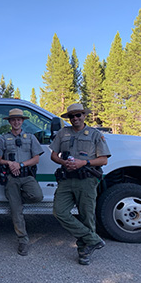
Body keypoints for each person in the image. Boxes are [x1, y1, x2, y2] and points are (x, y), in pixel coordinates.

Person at [50, 103, 111, 265]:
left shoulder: (94, 134)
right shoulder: (63, 133)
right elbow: (53, 155)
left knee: (86, 215)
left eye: (78, 115)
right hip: (66, 179)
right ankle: (93, 239)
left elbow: (103, 159)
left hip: (87, 180)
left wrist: (83, 163)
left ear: (84, 115)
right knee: (59, 211)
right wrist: (64, 162)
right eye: (72, 116)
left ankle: (84, 251)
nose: (75, 118)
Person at [0, 108, 44, 256]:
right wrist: (10, 163)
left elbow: (36, 158)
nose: (16, 122)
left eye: (19, 119)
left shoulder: (30, 137)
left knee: (38, 196)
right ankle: (23, 240)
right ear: (9, 122)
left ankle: (16, 200)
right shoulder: (3, 139)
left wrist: (21, 164)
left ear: (22, 121)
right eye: (13, 119)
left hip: (27, 176)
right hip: (11, 178)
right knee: (16, 212)